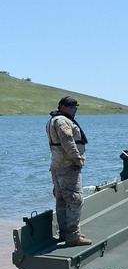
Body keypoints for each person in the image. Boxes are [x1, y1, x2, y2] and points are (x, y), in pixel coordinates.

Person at [46, 96, 91, 247]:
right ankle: (73, 235)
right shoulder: (62, 121)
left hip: (58, 165)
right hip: (67, 166)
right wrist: (77, 159)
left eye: (76, 108)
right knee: (75, 199)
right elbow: (68, 142)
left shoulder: (55, 120)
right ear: (63, 107)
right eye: (72, 108)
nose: (75, 111)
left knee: (62, 199)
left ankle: (65, 232)